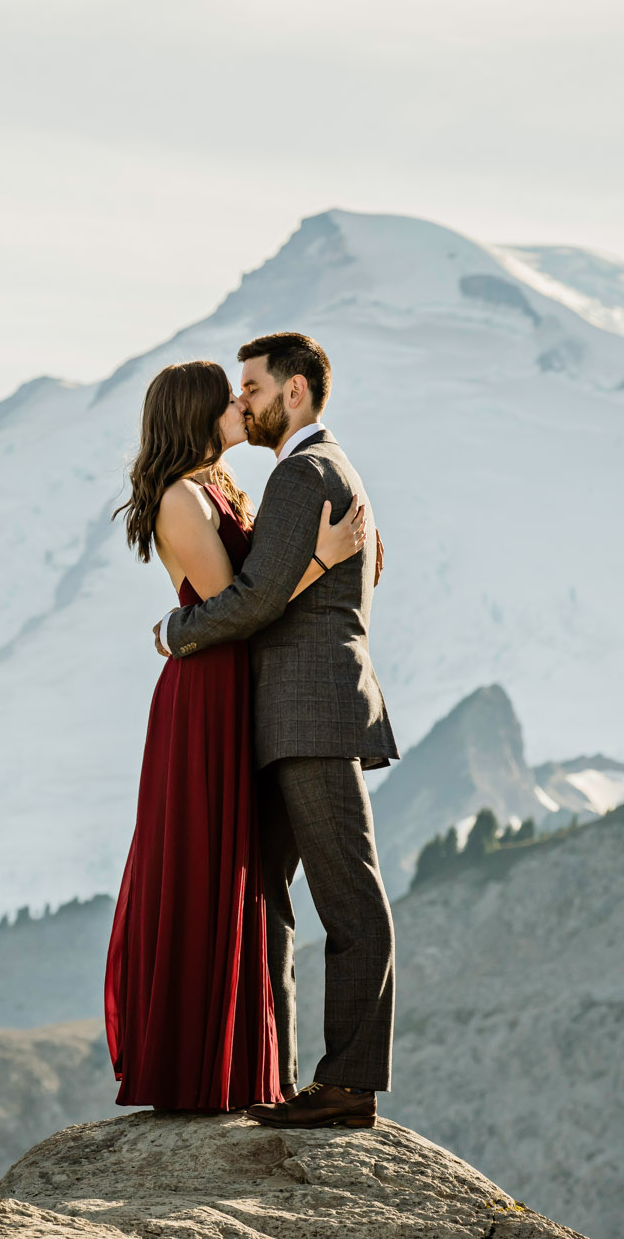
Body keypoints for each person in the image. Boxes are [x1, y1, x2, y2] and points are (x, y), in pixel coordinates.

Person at [105, 358, 369, 1112]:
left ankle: (254, 1070)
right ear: (195, 413)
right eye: (227, 398)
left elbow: (260, 580)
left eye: (243, 391)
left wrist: (340, 564)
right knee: (208, 869)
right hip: (206, 692)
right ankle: (199, 1070)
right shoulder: (181, 497)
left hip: (238, 688)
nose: (239, 405)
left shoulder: (221, 485)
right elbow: (236, 604)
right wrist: (323, 560)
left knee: (248, 880)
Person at [154, 331, 399, 1131]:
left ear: (293, 392)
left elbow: (256, 600)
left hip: (309, 714)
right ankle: (276, 1074)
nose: (243, 400)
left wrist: (176, 630)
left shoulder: (302, 472)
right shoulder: (322, 470)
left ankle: (348, 1083)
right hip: (291, 713)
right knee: (262, 898)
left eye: (252, 387)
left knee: (346, 895)